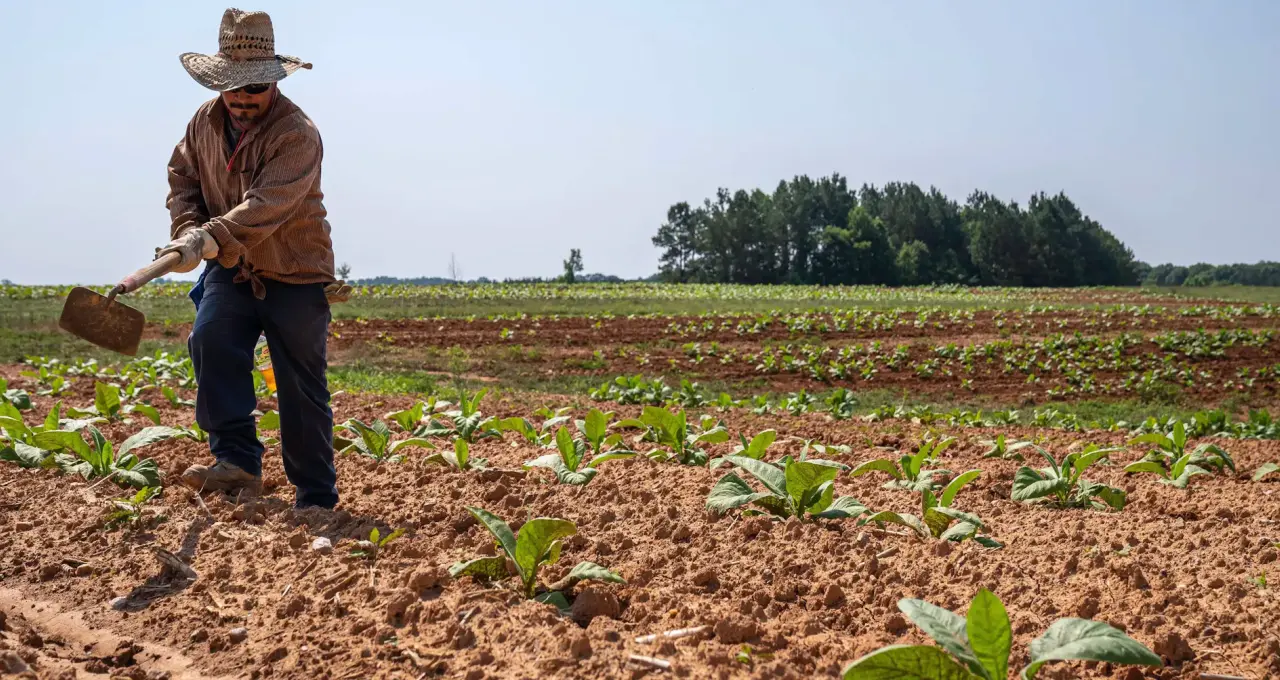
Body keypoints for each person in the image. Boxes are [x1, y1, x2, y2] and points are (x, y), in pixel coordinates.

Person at [159, 8, 351, 509]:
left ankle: (315, 496)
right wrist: (185, 231)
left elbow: (267, 206)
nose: (244, 100)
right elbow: (183, 179)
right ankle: (237, 462)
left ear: (272, 84)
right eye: (234, 89)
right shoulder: (202, 123)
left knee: (299, 383)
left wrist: (207, 237)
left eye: (255, 89)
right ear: (219, 84)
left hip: (294, 271)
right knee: (210, 339)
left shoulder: (297, 134)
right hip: (230, 266)